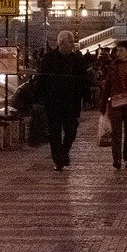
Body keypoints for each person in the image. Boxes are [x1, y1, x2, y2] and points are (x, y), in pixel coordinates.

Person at [39, 30, 90, 170]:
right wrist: (40, 98)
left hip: (71, 103)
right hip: (53, 102)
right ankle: (58, 160)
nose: (73, 45)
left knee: (71, 130)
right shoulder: (49, 58)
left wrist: (86, 96)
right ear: (62, 43)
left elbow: (84, 79)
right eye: (71, 42)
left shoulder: (77, 58)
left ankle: (64, 152)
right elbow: (41, 79)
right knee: (54, 132)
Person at [99, 40, 127, 170]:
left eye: (121, 50)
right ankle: (117, 159)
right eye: (117, 50)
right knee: (116, 133)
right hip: (116, 103)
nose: (118, 53)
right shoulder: (113, 66)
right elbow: (107, 86)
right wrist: (103, 105)